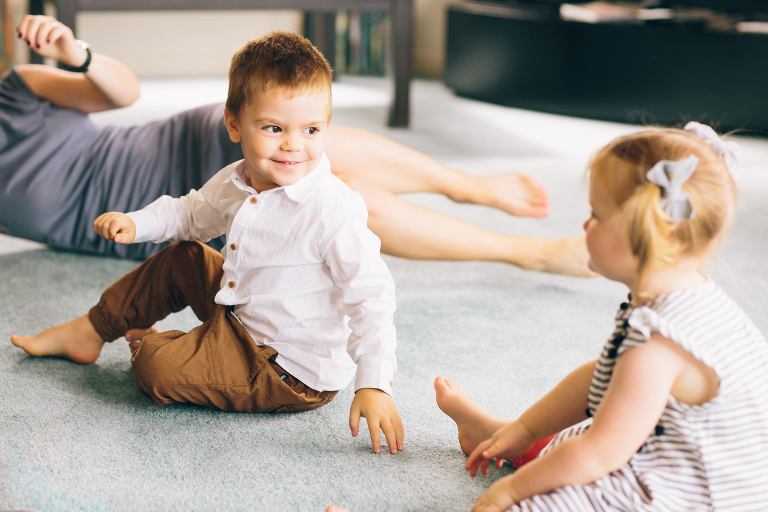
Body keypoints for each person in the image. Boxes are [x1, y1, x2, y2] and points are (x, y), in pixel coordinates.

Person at [11, 30, 405, 456]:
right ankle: (91, 330)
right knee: (185, 254)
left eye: (311, 129)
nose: (294, 145)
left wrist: (374, 383)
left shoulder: (333, 210)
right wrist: (135, 222)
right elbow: (190, 214)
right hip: (241, 315)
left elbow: (372, 299)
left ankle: (160, 345)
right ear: (233, 123)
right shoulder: (237, 178)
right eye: (273, 128)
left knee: (154, 368)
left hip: (285, 370)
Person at [0, 15, 592, 277]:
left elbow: (122, 92)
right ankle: (524, 252)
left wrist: (77, 56)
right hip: (156, 219)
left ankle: (464, 185)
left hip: (174, 139)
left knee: (291, 125)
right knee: (347, 203)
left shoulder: (17, 91)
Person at [428, 124, 768, 511]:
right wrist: (525, 428)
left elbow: (598, 455)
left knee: (549, 492)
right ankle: (501, 434)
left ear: (648, 234)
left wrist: (511, 491)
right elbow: (600, 380)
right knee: (584, 432)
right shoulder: (689, 297)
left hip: (694, 497)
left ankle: (516, 459)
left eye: (596, 214)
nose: (585, 226)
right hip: (678, 455)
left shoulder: (659, 348)